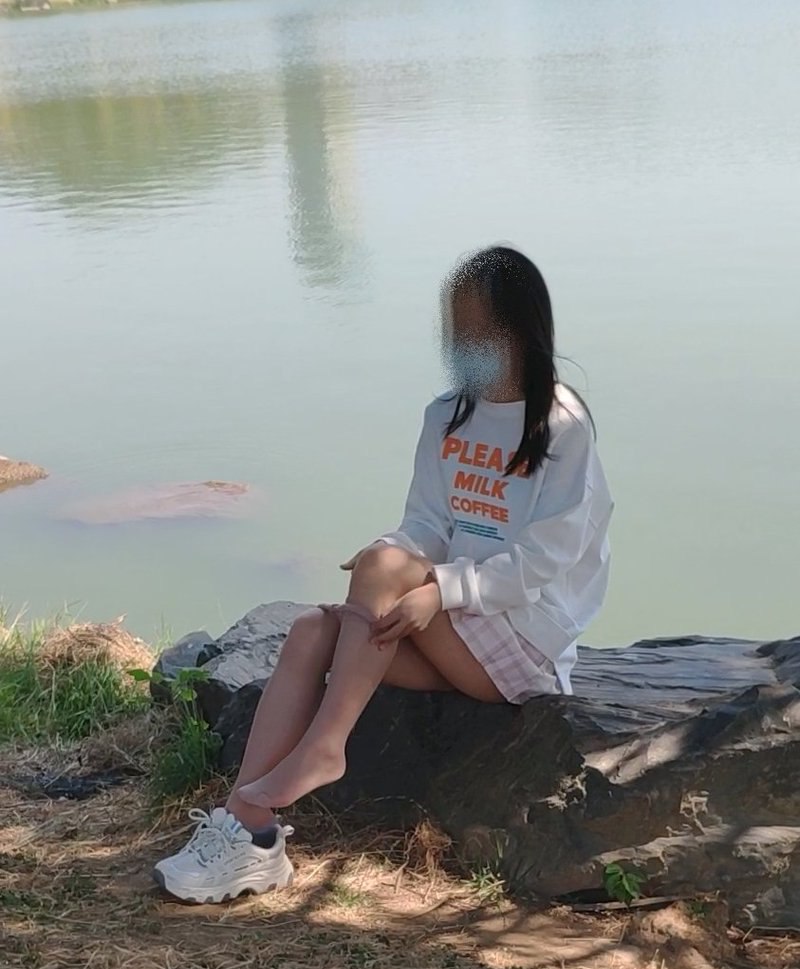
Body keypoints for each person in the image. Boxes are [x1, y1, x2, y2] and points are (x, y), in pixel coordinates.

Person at [153, 245, 613, 904]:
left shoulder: (561, 425)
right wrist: (390, 554)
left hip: (522, 641)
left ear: (520, 331)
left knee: (380, 571)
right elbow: (426, 524)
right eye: (456, 331)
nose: (464, 346)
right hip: (453, 629)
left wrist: (437, 592)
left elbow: (545, 561)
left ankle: (326, 747)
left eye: (479, 331)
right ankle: (247, 830)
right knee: (311, 632)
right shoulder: (446, 415)